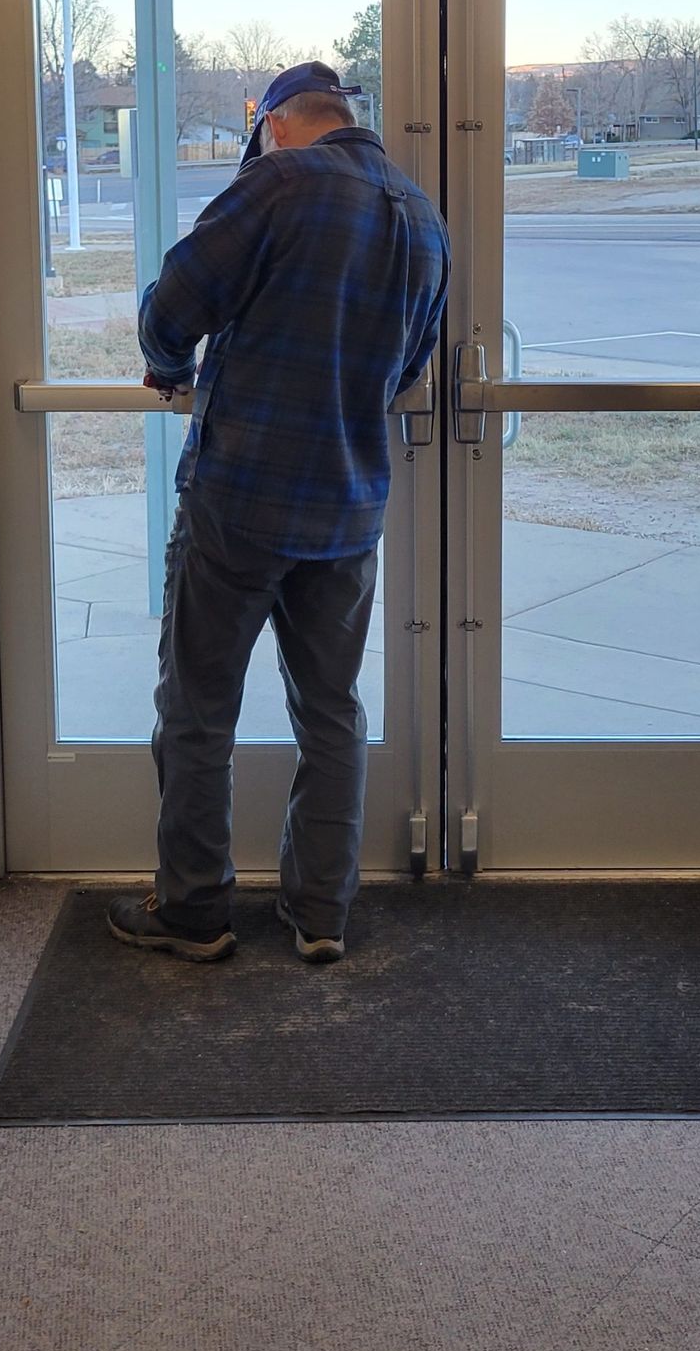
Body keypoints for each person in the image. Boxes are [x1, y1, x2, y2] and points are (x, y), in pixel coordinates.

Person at [108, 62, 449, 966]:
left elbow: (176, 301)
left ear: (278, 125)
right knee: (331, 712)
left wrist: (169, 364)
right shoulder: (423, 216)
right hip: (348, 509)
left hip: (241, 501)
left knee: (197, 708)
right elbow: (410, 364)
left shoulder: (281, 183)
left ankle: (195, 912)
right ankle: (322, 914)